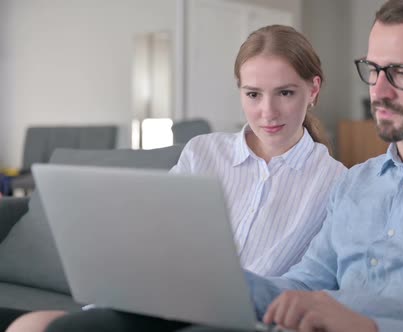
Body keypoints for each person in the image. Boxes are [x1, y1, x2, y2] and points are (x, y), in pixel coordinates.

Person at [15, 0, 403, 331]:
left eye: (401, 72)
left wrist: (372, 326)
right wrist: (195, 278)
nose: (377, 90)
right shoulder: (357, 185)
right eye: (372, 69)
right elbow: (300, 283)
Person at [4, 24, 346, 332]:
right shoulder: (203, 152)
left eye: (284, 93)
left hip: (243, 322)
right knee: (30, 326)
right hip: (158, 305)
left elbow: (315, 284)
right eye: (253, 94)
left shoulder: (337, 184)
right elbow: (154, 241)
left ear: (313, 89)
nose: (267, 112)